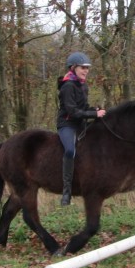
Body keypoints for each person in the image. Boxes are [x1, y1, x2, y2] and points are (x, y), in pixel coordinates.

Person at [56, 52, 106, 206]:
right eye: (83, 68)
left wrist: (95, 110)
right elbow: (72, 111)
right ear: (73, 68)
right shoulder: (67, 86)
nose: (86, 71)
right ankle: (66, 192)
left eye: (87, 68)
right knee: (70, 150)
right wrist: (94, 114)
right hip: (67, 124)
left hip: (80, 124)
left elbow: (83, 108)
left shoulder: (83, 85)